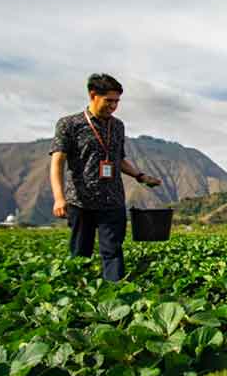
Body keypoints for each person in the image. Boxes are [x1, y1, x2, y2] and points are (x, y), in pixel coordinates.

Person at [49, 73, 162, 281]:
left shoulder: (117, 126)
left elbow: (118, 160)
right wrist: (59, 197)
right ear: (93, 95)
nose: (113, 106)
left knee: (113, 252)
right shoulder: (69, 124)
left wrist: (140, 176)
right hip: (81, 200)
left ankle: (115, 296)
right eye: (109, 100)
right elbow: (57, 162)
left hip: (112, 199)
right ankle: (76, 298)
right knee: (80, 253)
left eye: (117, 101)